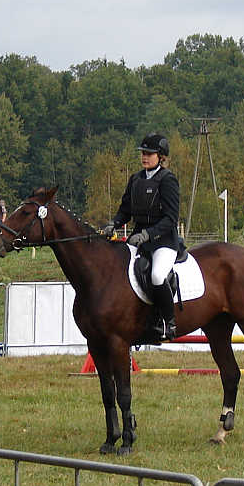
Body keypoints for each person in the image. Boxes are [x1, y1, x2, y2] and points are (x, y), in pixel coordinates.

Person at [103, 133, 182, 341]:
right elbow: (125, 210)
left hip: (163, 241)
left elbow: (171, 218)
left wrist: (148, 234)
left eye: (149, 153)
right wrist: (114, 224)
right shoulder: (136, 179)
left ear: (160, 156)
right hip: (139, 239)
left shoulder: (167, 180)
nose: (144, 157)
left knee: (157, 275)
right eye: (143, 153)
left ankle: (168, 322)